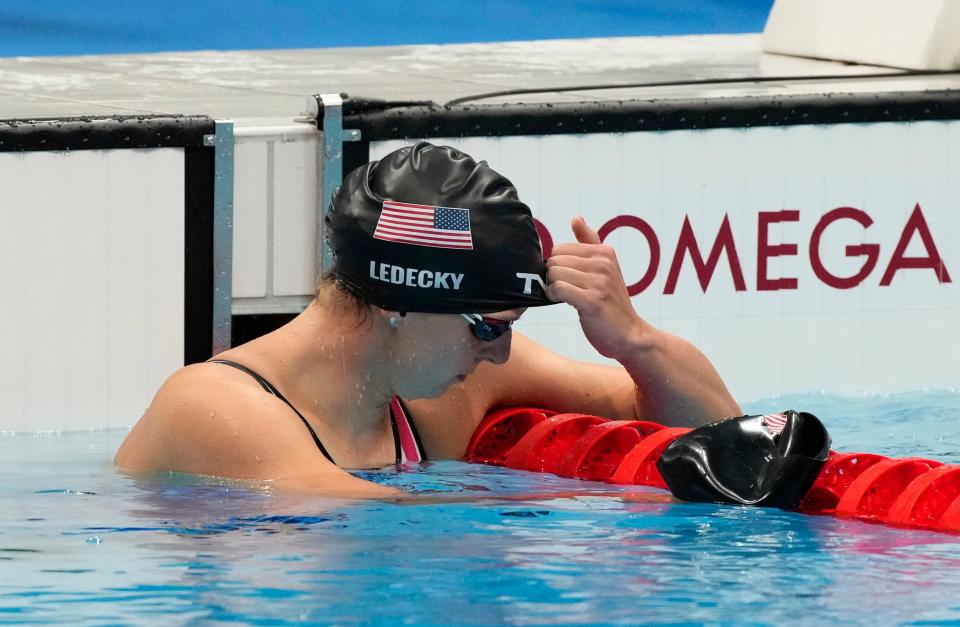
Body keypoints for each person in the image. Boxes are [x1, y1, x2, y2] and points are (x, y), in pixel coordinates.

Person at [115, 142, 741, 498]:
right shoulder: (211, 407)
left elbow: (723, 436)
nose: (499, 353)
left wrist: (635, 341)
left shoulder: (455, 380)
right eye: (489, 326)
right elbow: (381, 534)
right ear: (398, 302)